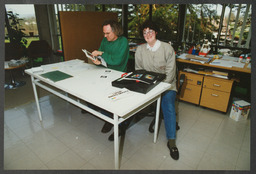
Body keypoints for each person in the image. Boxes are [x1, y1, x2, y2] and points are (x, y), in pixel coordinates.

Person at [134, 20, 179, 160]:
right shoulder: (140, 50)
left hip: (168, 85)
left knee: (168, 105)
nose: (148, 35)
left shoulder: (167, 49)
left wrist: (157, 90)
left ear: (156, 32)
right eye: (144, 32)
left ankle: (172, 142)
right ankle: (121, 128)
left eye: (150, 31)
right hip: (149, 85)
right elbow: (139, 71)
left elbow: (170, 74)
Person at [84, 19, 130, 141]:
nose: (105, 36)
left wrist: (101, 53)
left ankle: (115, 123)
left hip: (118, 74)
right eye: (104, 33)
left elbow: (117, 60)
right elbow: (102, 58)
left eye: (107, 33)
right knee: (96, 90)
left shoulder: (123, 41)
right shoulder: (105, 40)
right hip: (105, 71)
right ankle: (103, 114)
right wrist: (97, 61)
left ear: (116, 31)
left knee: (112, 99)